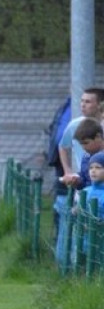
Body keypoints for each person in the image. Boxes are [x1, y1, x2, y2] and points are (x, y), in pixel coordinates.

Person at [55, 88, 104, 266]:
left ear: (100, 105)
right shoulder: (75, 126)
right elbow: (62, 145)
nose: (83, 105)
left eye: (88, 101)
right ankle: (76, 268)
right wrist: (69, 173)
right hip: (86, 192)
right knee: (82, 235)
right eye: (81, 101)